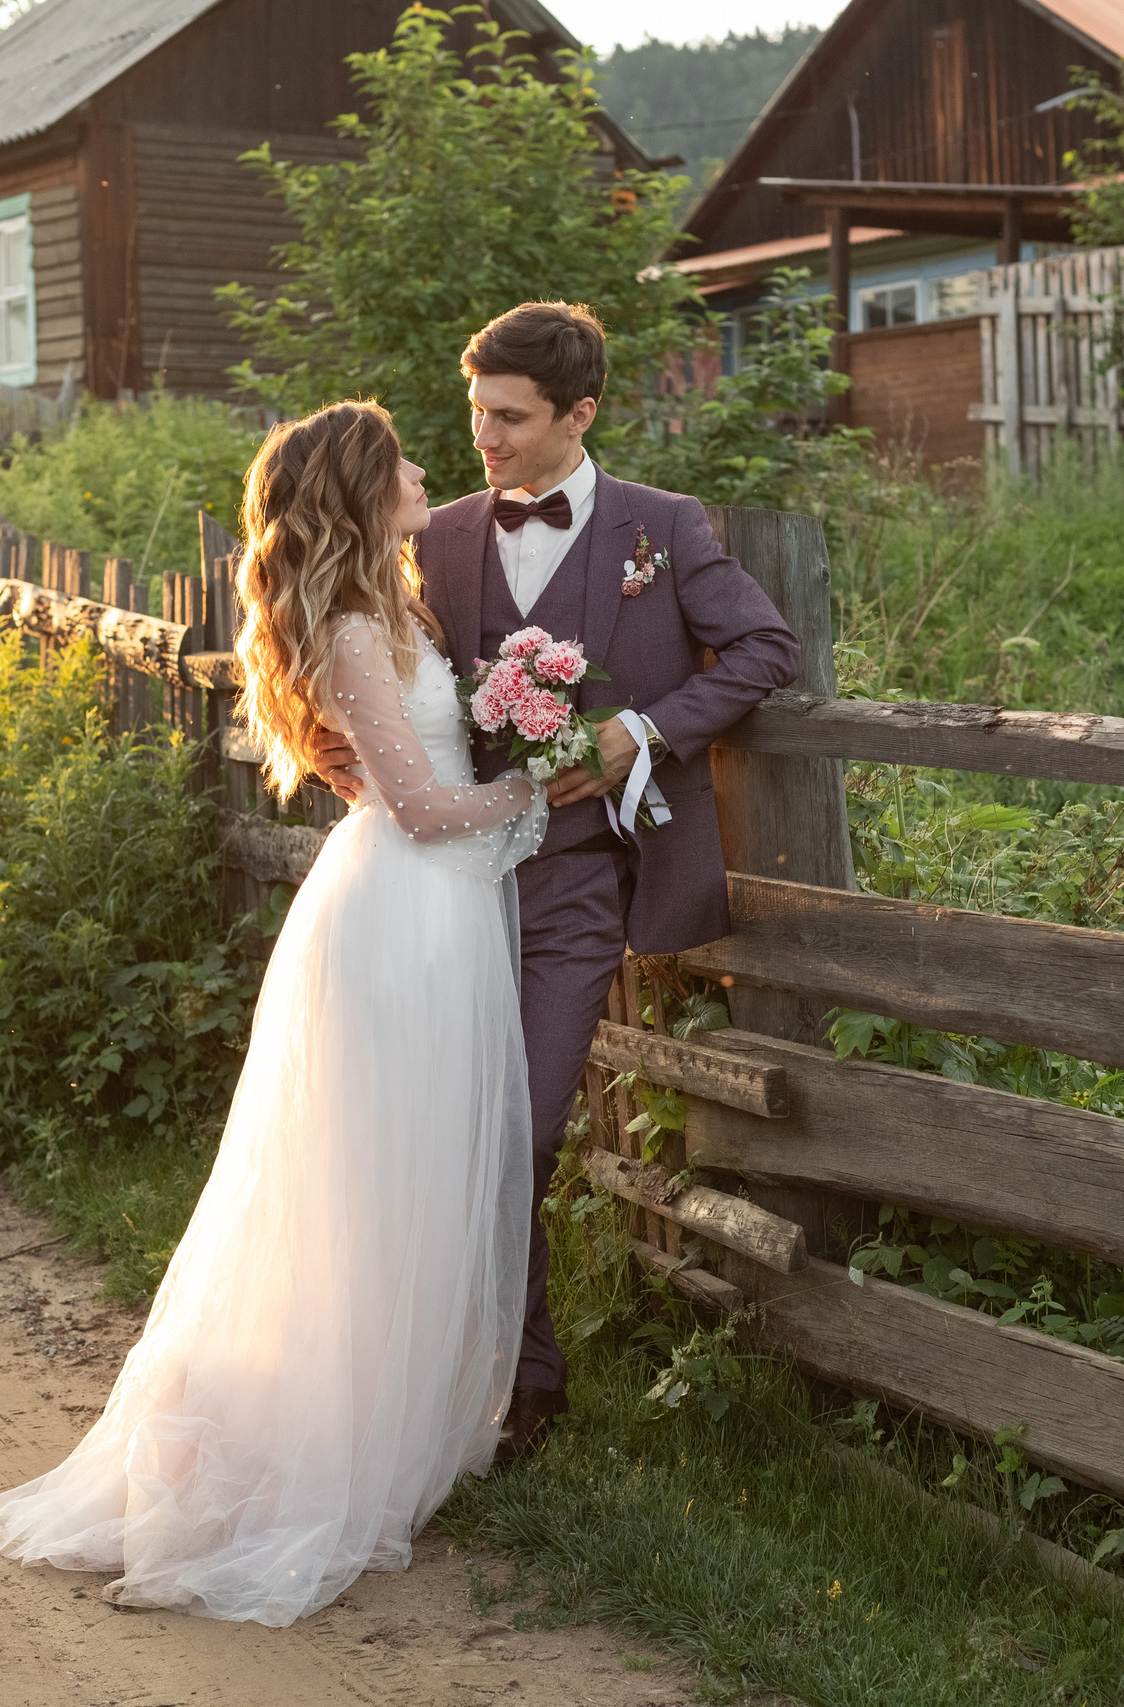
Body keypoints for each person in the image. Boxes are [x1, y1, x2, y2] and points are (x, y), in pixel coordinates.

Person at [0, 401, 547, 1626]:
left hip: (443, 915)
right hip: (402, 918)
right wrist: (550, 784)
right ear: (356, 490)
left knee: (412, 1189)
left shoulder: (397, 609)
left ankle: (388, 1429)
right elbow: (419, 809)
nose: (425, 471)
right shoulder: (349, 630)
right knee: (361, 1198)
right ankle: (286, 1461)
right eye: (400, 461)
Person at [317, 302, 800, 1463]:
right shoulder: (433, 537)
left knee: (519, 1131)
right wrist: (348, 763)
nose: (484, 437)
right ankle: (511, 1383)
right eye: (475, 412)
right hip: (446, 892)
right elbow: (353, 667)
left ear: (579, 415)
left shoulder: (661, 528)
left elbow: (765, 649)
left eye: (511, 418)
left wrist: (641, 730)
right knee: (454, 1136)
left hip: (577, 886)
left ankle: (505, 1373)